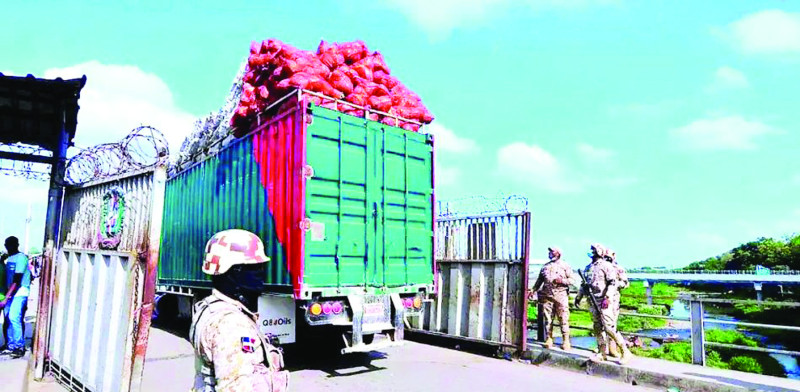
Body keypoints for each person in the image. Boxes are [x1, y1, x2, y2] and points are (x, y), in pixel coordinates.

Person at [189, 229, 290, 392]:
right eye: (254, 268)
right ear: (233, 272)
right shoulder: (231, 324)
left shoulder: (210, 307)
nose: (261, 274)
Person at [575, 243, 632, 364]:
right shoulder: (588, 267)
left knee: (609, 327)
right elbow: (583, 284)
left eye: (593, 250)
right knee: (597, 327)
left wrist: (607, 297)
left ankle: (624, 351)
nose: (591, 252)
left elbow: (613, 283)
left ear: (599, 252)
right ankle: (602, 352)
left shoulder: (607, 266)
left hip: (604, 301)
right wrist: (579, 297)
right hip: (592, 300)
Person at [530, 246, 575, 350]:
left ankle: (566, 341)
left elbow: (572, 280)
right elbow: (539, 280)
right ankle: (549, 338)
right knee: (548, 319)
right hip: (547, 295)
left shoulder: (565, 266)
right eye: (549, 252)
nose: (550, 253)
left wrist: (562, 281)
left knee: (563, 318)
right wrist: (533, 290)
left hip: (561, 295)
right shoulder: (545, 267)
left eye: (552, 252)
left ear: (558, 253)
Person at [0, 236, 31, 358]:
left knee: (14, 317)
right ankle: (10, 345)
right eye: (6, 244)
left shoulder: (21, 258)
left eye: (10, 244)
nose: (8, 247)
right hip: (11, 293)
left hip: (20, 292)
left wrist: (6, 297)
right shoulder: (9, 258)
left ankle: (19, 346)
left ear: (16, 245)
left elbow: (17, 280)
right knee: (7, 318)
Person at [603, 249, 629, 359]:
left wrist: (614, 284)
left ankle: (613, 349)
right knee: (600, 325)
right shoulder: (602, 267)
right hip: (600, 299)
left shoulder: (619, 269)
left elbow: (625, 283)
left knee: (611, 324)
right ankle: (603, 348)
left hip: (613, 300)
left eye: (609, 256)